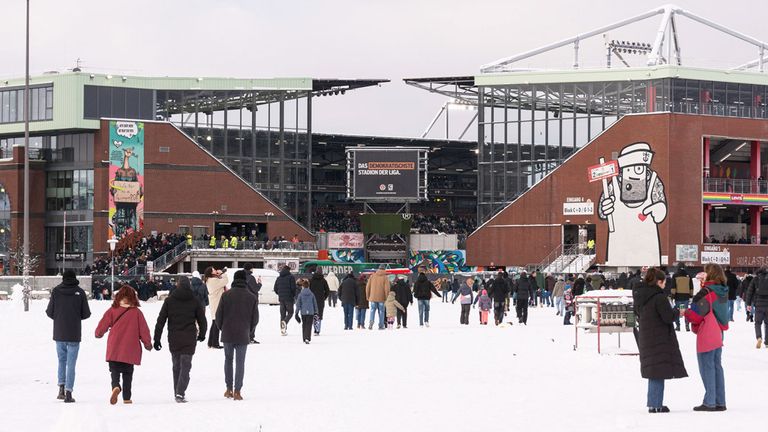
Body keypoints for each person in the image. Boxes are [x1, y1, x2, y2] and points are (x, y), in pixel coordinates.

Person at [633, 268, 688, 414]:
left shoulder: (640, 295)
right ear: (659, 282)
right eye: (664, 282)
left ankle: (653, 403)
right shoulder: (659, 297)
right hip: (659, 337)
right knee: (658, 371)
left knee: (654, 370)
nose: (665, 285)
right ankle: (656, 405)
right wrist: (678, 312)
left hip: (647, 336)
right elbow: (668, 317)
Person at [95, 285, 152, 405]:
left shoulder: (112, 310)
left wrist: (99, 333)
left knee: (114, 370)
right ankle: (127, 397)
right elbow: (144, 330)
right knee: (128, 373)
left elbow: (102, 325)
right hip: (130, 348)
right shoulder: (137, 312)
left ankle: (116, 386)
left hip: (114, 345)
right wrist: (147, 343)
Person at [153, 277, 208, 403]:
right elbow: (202, 320)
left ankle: (177, 391)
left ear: (177, 285)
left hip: (174, 337)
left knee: (176, 365)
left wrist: (157, 339)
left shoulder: (169, 300)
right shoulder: (194, 300)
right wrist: (202, 334)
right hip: (189, 337)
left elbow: (160, 321)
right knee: (186, 366)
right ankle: (180, 392)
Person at [684, 263, 730, 412]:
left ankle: (710, 401)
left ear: (709, 274)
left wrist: (685, 313)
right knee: (717, 366)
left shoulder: (706, 292)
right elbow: (723, 314)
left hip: (707, 332)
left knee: (706, 366)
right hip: (718, 332)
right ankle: (720, 401)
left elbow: (695, 315)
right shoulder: (723, 291)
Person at [46, 270, 91, 403]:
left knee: (61, 361)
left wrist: (59, 317)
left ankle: (61, 388)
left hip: (59, 332)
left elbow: (49, 312)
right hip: (74, 333)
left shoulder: (56, 291)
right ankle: (69, 392)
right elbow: (86, 314)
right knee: (71, 364)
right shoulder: (80, 292)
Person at [216, 270, 258, 401]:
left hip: (227, 333)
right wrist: (249, 331)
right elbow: (255, 318)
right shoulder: (251, 297)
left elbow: (218, 316)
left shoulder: (226, 295)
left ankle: (228, 389)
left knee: (228, 360)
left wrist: (222, 328)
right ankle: (238, 391)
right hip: (243, 333)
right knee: (240, 363)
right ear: (245, 280)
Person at [205, 267, 228, 349]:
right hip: (216, 304)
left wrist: (220, 275)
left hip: (215, 303)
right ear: (211, 273)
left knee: (214, 323)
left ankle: (211, 343)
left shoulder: (211, 280)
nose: (215, 270)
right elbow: (225, 281)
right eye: (213, 270)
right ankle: (215, 343)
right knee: (217, 324)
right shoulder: (213, 280)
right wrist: (222, 273)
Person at [746, 266, 768, 347]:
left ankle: (759, 337)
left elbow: (749, 292)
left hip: (758, 304)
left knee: (758, 323)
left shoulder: (755, 279)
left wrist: (748, 304)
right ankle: (767, 342)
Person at [274, 265, 297, 336]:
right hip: (289, 298)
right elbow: (293, 288)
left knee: (282, 314)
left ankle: (283, 330)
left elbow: (275, 289)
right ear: (288, 270)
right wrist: (292, 295)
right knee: (290, 312)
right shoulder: (291, 277)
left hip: (281, 299)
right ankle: (285, 322)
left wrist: (280, 294)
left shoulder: (278, 278)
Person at [366, 266, 391, 330]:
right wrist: (387, 297)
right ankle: (381, 325)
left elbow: (368, 287)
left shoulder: (372, 276)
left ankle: (371, 321)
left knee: (372, 310)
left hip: (373, 297)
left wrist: (368, 296)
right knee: (381, 311)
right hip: (381, 298)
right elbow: (387, 289)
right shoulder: (385, 277)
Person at [295, 279, 318, 344]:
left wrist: (296, 313)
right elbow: (315, 303)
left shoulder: (300, 294)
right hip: (311, 312)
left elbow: (298, 304)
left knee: (304, 324)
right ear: (308, 286)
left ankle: (304, 337)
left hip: (303, 312)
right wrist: (316, 312)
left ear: (303, 286)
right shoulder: (312, 294)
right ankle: (307, 338)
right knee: (309, 325)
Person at [243, 263, 262, 344]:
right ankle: (250, 337)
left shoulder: (241, 276)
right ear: (250, 269)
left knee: (245, 319)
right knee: (253, 319)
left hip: (243, 300)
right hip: (252, 301)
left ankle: (244, 336)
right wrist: (259, 283)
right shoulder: (251, 277)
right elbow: (255, 289)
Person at [671, 266, 693, 332]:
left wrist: (672, 295)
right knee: (686, 311)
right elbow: (691, 287)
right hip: (686, 296)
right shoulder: (688, 276)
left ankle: (678, 326)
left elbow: (673, 287)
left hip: (678, 296)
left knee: (677, 311)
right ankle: (687, 325)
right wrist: (691, 295)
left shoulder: (675, 275)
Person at [309, 269, 330, 335]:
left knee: (313, 314)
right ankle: (317, 330)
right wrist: (324, 297)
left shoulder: (311, 280)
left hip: (312, 300)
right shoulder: (323, 281)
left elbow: (308, 289)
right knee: (319, 315)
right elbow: (327, 291)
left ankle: (315, 328)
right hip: (320, 300)